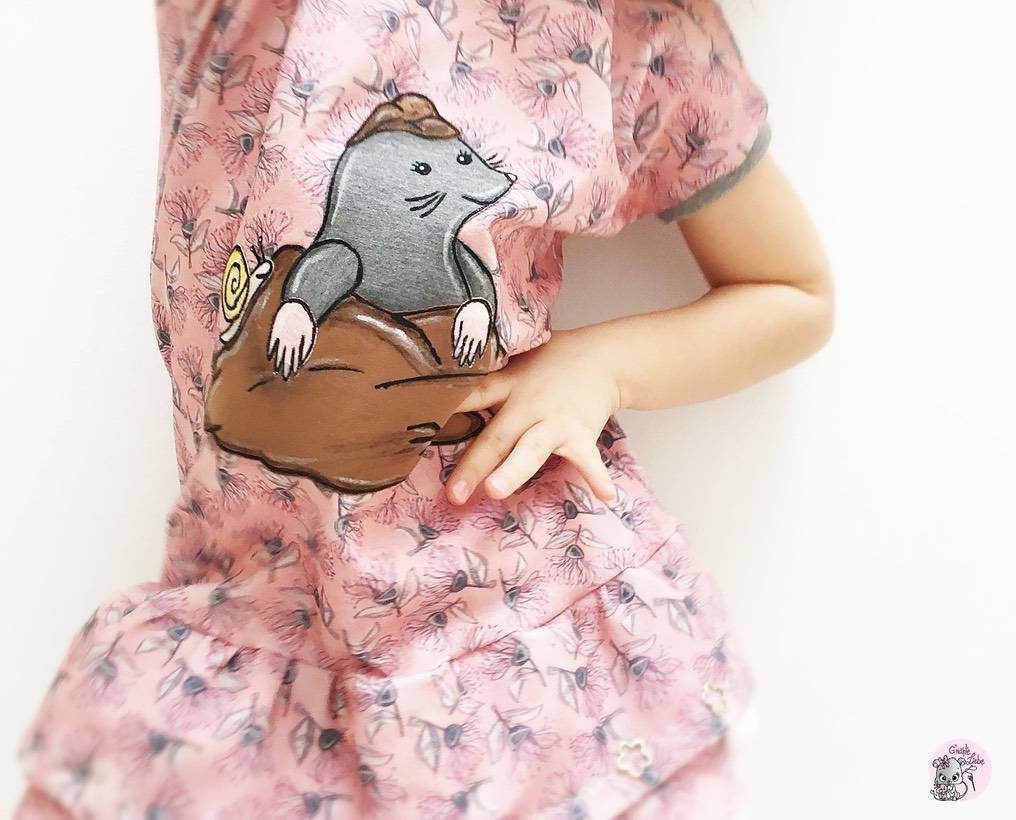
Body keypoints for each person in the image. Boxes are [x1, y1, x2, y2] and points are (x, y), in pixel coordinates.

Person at [15, 0, 832, 817]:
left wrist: (601, 368)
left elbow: (793, 293)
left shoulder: (632, 31)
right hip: (249, 634)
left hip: (527, 636)